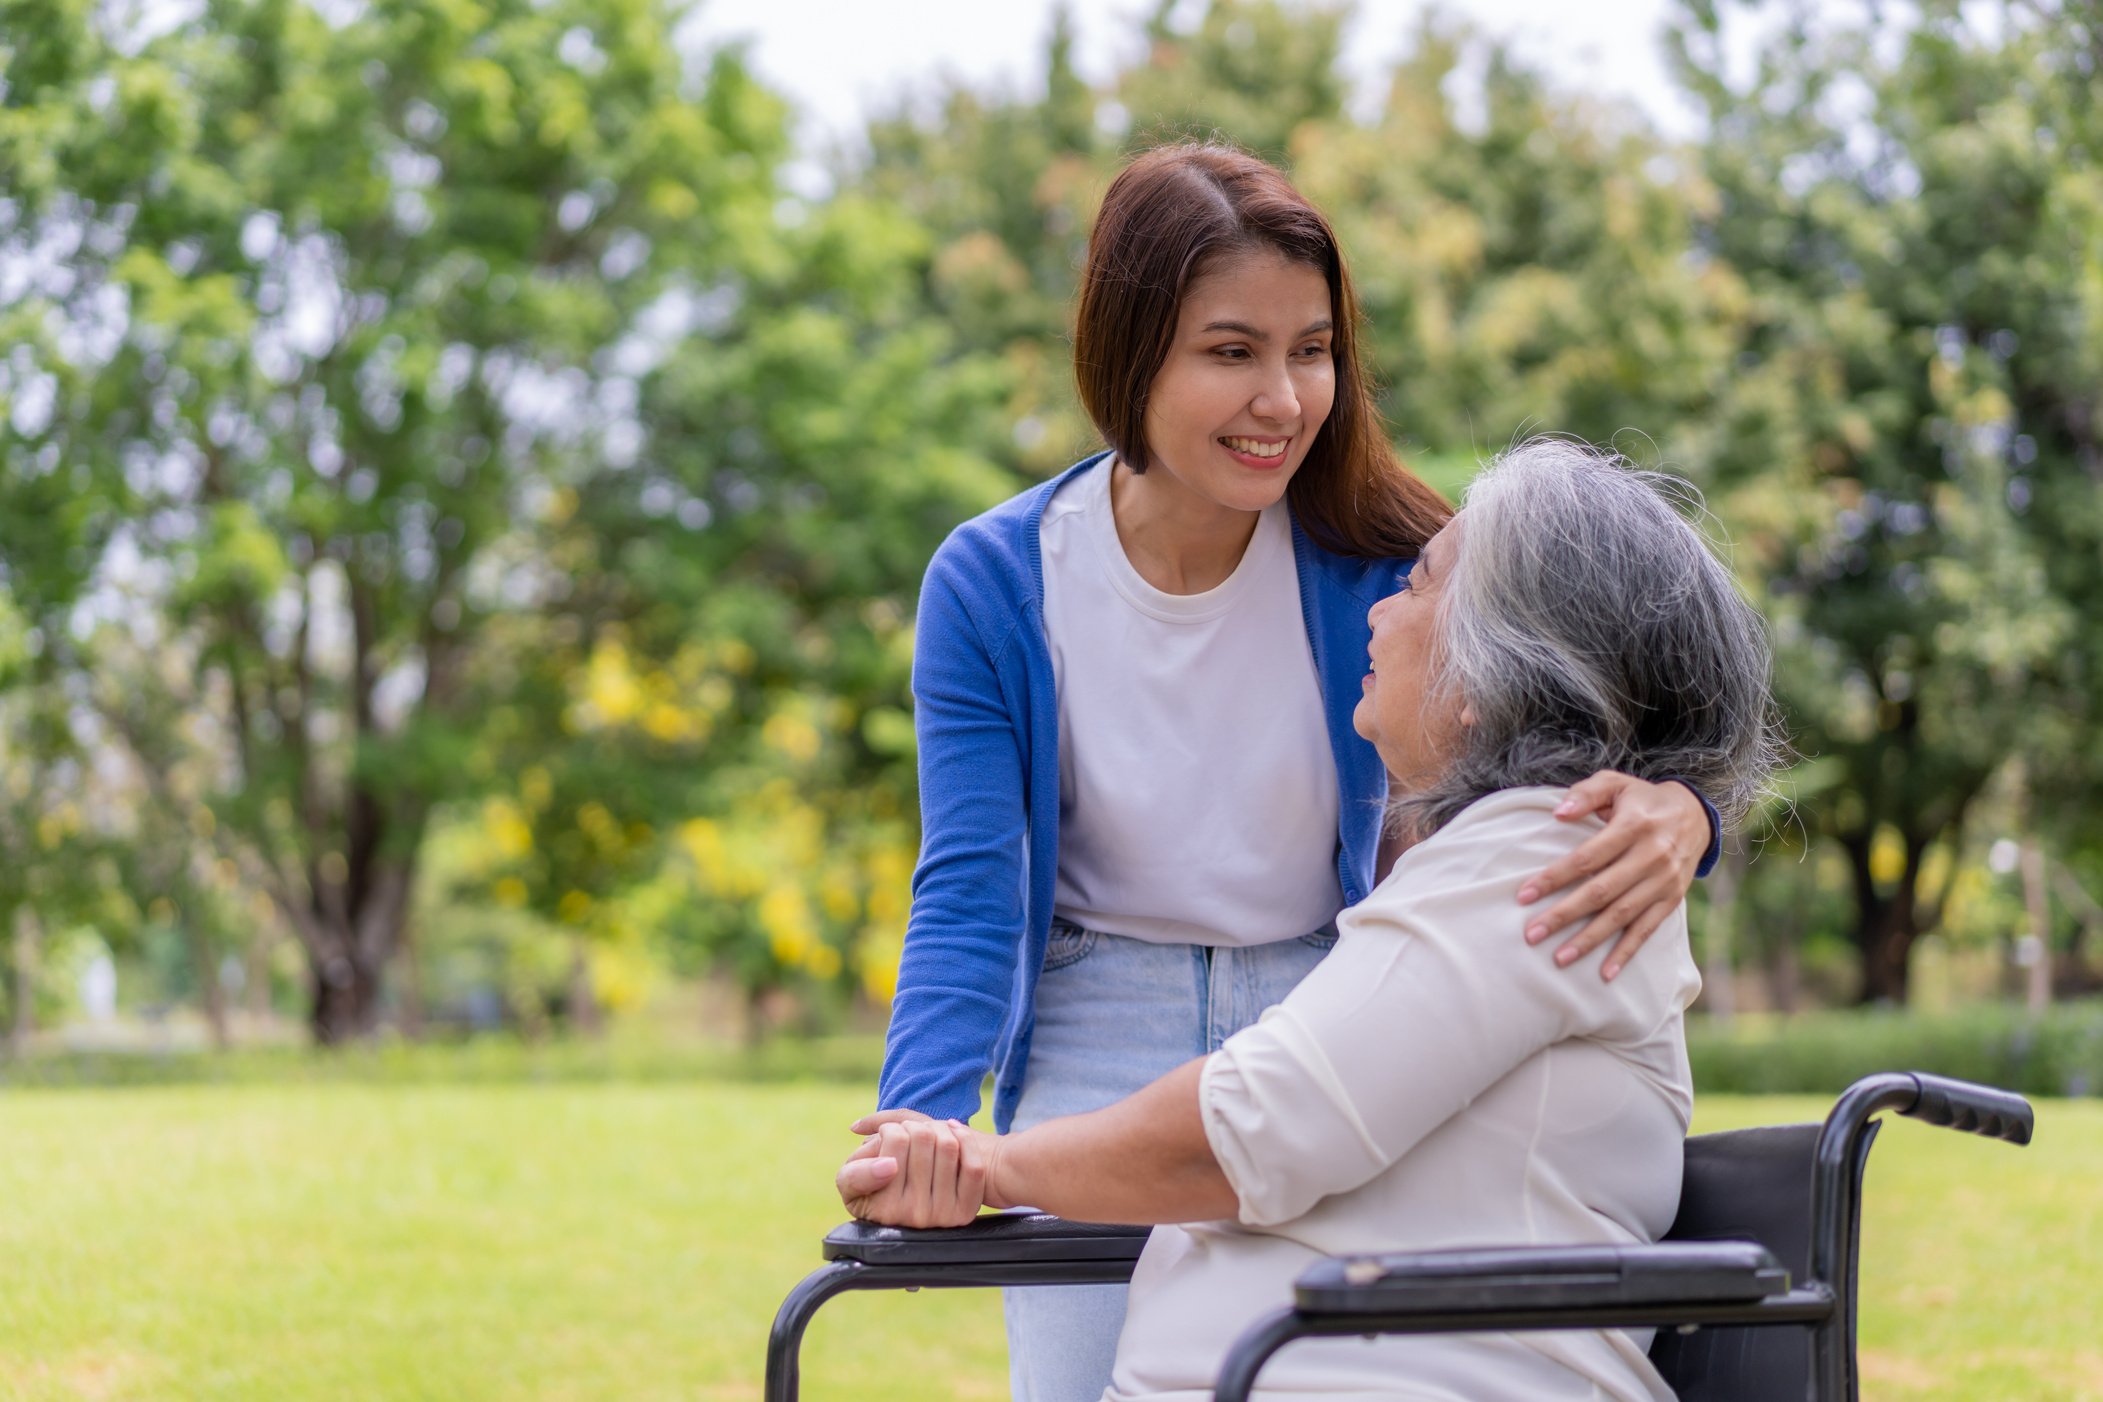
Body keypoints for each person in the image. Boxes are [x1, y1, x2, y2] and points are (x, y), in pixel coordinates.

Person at [868, 143, 1722, 1401]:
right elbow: (972, 883)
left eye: (1311, 350)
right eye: (1231, 352)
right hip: (1101, 1006)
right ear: (1130, 353)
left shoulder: (1397, 560)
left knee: (1283, 1346)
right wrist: (922, 1124)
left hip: (1331, 994)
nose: (1284, 397)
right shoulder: (997, 581)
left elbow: (1626, 674)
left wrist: (1689, 807)